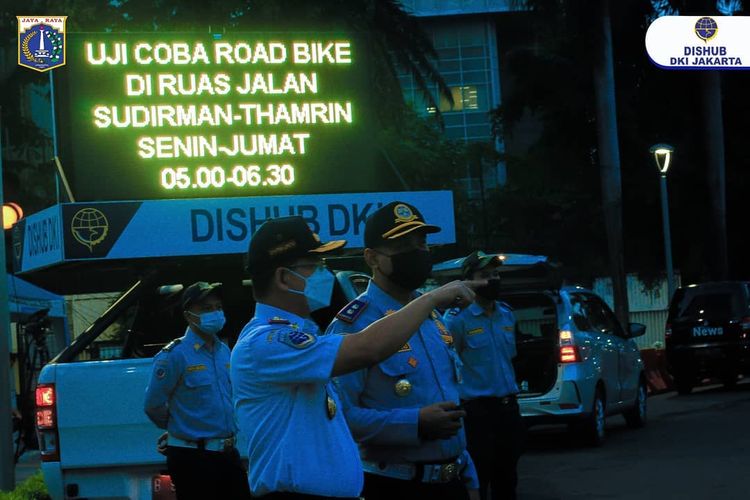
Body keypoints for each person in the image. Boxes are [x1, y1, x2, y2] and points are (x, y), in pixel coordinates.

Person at [231, 215, 480, 499]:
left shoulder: (301, 339)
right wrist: (430, 299)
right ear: (284, 278)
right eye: (315, 266)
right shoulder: (268, 342)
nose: (325, 275)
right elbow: (367, 349)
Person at [326, 201, 480, 500]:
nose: (418, 253)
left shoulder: (432, 314)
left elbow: (449, 399)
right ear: (372, 257)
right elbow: (340, 416)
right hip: (394, 484)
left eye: (421, 243)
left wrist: (467, 472)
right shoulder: (354, 325)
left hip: (452, 481)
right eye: (403, 245)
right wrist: (415, 423)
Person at [144, 281, 251, 500]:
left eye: (218, 307)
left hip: (227, 453)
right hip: (193, 458)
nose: (215, 313)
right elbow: (153, 405)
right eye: (206, 308)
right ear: (188, 315)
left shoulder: (224, 351)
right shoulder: (175, 354)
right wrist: (180, 426)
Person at [443, 252, 525, 500]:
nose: (493, 280)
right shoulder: (456, 320)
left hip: (508, 410)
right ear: (469, 281)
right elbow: (449, 366)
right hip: (477, 414)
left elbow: (510, 357)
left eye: (496, 275)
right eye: (485, 276)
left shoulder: (506, 314)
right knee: (479, 479)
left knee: (508, 479)